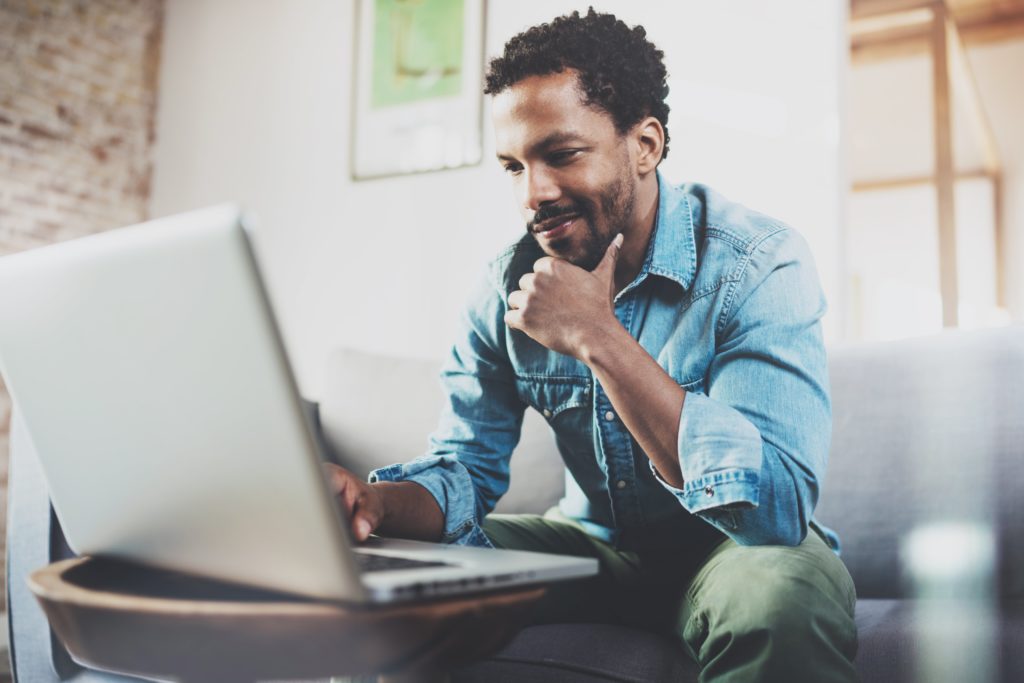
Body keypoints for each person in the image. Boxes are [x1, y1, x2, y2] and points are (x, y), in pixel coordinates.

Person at [323, 8, 858, 681]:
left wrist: (597, 336)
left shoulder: (758, 264)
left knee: (781, 597)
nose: (533, 193)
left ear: (645, 144)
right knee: (388, 577)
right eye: (513, 166)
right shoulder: (504, 287)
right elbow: (465, 468)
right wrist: (373, 505)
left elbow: (776, 508)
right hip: (592, 544)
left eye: (562, 154)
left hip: (737, 547)